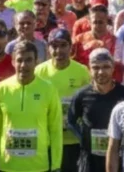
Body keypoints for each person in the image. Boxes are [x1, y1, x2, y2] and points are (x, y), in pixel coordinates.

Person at [0, 40, 63, 172]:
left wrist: (56, 165)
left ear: (36, 62)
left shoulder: (49, 89)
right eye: (19, 60)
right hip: (7, 166)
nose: (24, 65)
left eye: (29, 60)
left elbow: (55, 129)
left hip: (38, 166)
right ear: (12, 62)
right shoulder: (0, 89)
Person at [35, 29, 91, 172]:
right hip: (47, 140)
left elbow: (88, 104)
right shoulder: (39, 71)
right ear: (48, 48)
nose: (58, 50)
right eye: (54, 46)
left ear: (70, 47)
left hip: (73, 140)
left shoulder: (82, 71)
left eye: (63, 45)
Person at [68, 48, 124, 172]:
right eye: (96, 68)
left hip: (118, 158)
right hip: (90, 160)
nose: (101, 72)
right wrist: (83, 138)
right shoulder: (82, 95)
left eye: (106, 67)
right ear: (89, 70)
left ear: (113, 68)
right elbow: (71, 121)